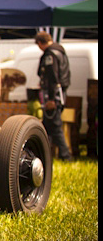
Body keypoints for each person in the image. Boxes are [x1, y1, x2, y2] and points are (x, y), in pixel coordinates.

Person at [35, 31, 72, 161]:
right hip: (60, 92)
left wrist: (51, 99)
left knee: (55, 125)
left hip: (54, 94)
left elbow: (52, 77)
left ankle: (65, 155)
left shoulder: (50, 54)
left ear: (40, 43)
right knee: (47, 126)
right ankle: (44, 154)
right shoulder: (61, 51)